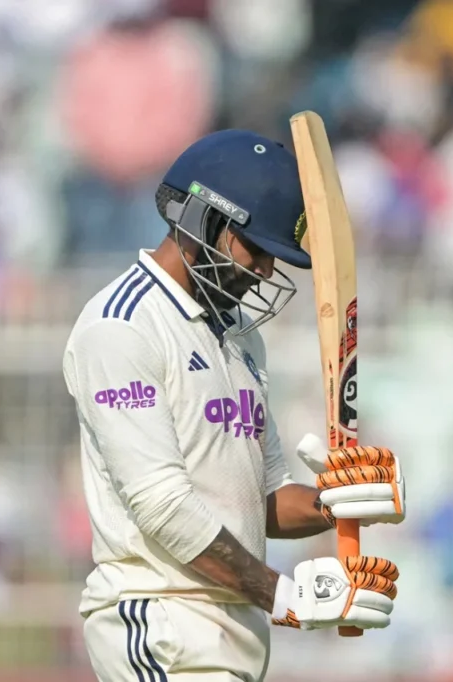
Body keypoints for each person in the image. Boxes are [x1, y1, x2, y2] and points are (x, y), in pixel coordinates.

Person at [62, 129, 407, 681]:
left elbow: (260, 501)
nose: (266, 272)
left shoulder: (241, 335)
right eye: (257, 249)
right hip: (162, 622)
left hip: (235, 633)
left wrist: (332, 504)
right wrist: (289, 596)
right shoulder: (122, 326)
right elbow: (163, 508)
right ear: (204, 220)